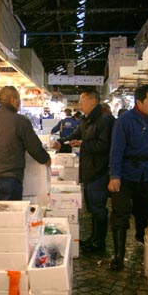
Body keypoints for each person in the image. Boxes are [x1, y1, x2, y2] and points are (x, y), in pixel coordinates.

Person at [108, 84, 148, 271]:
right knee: (121, 213)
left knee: (143, 212)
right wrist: (114, 176)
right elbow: (116, 150)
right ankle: (118, 255)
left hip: (144, 174)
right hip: (125, 175)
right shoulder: (124, 121)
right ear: (139, 102)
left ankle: (142, 241)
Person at [52, 89, 115, 253]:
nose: (79, 104)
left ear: (93, 101)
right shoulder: (85, 120)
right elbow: (75, 134)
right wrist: (61, 141)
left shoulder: (104, 120)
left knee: (99, 208)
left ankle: (100, 243)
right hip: (88, 170)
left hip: (99, 171)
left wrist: (82, 144)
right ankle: (93, 239)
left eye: (82, 100)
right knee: (92, 208)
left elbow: (105, 146)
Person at [0, 86, 51, 200]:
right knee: (10, 216)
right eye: (19, 101)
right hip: (10, 180)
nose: (19, 104)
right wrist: (46, 160)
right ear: (13, 100)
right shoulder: (21, 121)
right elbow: (34, 147)